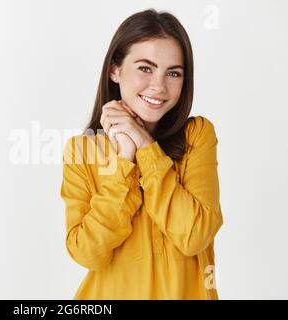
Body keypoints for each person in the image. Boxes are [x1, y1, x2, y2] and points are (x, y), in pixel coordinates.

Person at [60, 9, 223, 299]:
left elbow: (195, 235)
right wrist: (125, 159)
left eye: (173, 73)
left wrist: (146, 148)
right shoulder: (82, 151)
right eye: (145, 68)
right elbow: (87, 253)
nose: (159, 85)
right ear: (115, 69)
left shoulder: (197, 135)